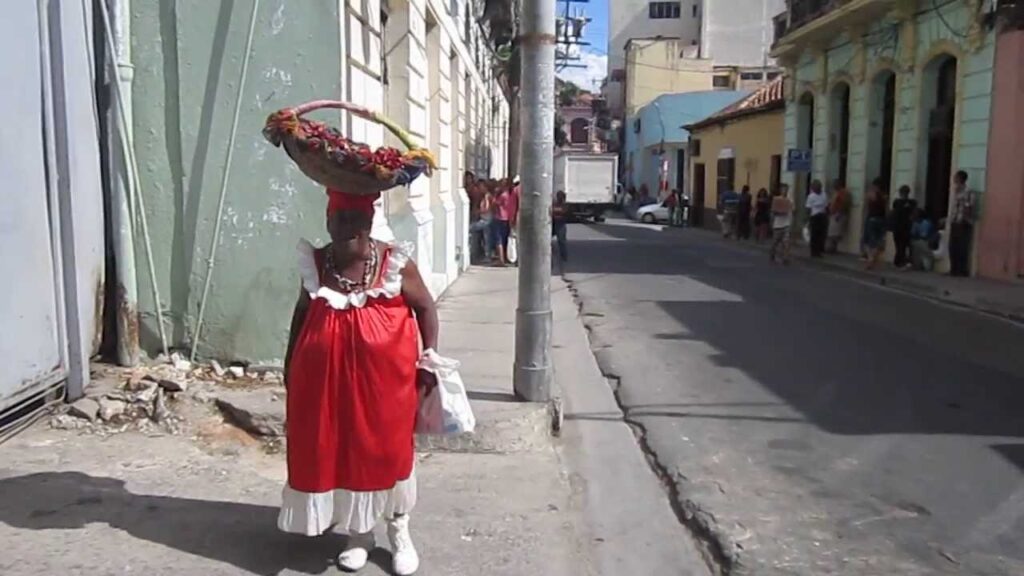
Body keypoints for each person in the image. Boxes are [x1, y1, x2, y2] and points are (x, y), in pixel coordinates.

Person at [281, 189, 439, 576]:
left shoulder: (393, 264)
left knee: (388, 453)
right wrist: (290, 367)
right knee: (344, 455)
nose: (346, 227)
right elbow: (301, 316)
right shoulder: (317, 264)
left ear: (369, 222)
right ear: (328, 221)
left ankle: (399, 531)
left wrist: (429, 358)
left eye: (354, 218)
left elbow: (425, 308)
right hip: (326, 386)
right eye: (339, 218)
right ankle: (360, 535)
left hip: (388, 385)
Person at [949, 170, 976, 277]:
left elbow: (970, 207)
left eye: (956, 177)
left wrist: (964, 217)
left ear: (960, 178)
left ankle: (962, 270)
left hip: (964, 222)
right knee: (953, 246)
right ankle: (953, 269)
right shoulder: (956, 191)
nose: (954, 179)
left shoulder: (969, 192)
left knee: (962, 247)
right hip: (955, 221)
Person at [491, 179, 520, 266]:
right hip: (507, 219)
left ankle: (501, 259)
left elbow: (494, 204)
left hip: (499, 218)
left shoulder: (502, 195)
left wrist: (495, 195)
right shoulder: (510, 195)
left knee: (498, 239)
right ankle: (507, 257)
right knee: (505, 239)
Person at [863, 181, 888, 270]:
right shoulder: (885, 197)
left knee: (869, 241)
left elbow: (866, 207)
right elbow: (886, 210)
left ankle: (871, 259)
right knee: (878, 241)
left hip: (872, 219)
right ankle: (873, 259)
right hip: (881, 220)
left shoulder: (871, 195)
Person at [891, 185, 917, 269]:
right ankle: (899, 262)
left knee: (900, 245)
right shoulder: (910, 203)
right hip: (905, 227)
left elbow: (895, 212)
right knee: (903, 245)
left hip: (899, 226)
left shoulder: (898, 202)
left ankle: (899, 262)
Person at [769, 185, 794, 264]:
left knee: (786, 242)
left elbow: (793, 209)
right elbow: (773, 211)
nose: (785, 191)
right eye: (783, 190)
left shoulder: (790, 200)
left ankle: (785, 258)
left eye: (786, 190)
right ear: (781, 191)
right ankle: (772, 254)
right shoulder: (777, 199)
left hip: (786, 224)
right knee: (775, 242)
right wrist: (772, 221)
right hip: (778, 224)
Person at [805, 179, 829, 257]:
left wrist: (827, 214)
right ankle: (813, 251)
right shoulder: (811, 196)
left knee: (821, 234)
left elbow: (826, 205)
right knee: (814, 235)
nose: (817, 189)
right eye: (816, 187)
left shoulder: (824, 194)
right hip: (815, 216)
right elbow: (808, 208)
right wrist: (808, 219)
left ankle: (819, 250)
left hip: (822, 216)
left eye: (819, 187)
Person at [826, 180, 851, 253]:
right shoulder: (837, 193)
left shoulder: (843, 193)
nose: (833, 187)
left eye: (834, 185)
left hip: (838, 214)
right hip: (834, 213)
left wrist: (839, 213)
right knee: (833, 232)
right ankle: (832, 248)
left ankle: (832, 248)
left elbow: (844, 204)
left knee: (834, 233)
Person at [552, 189, 569, 263]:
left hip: (561, 225)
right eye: (558, 196)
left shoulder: (565, 205)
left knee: (562, 242)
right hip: (554, 224)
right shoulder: (554, 204)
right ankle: (553, 253)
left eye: (561, 197)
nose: (559, 198)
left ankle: (564, 256)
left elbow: (564, 211)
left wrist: (554, 211)